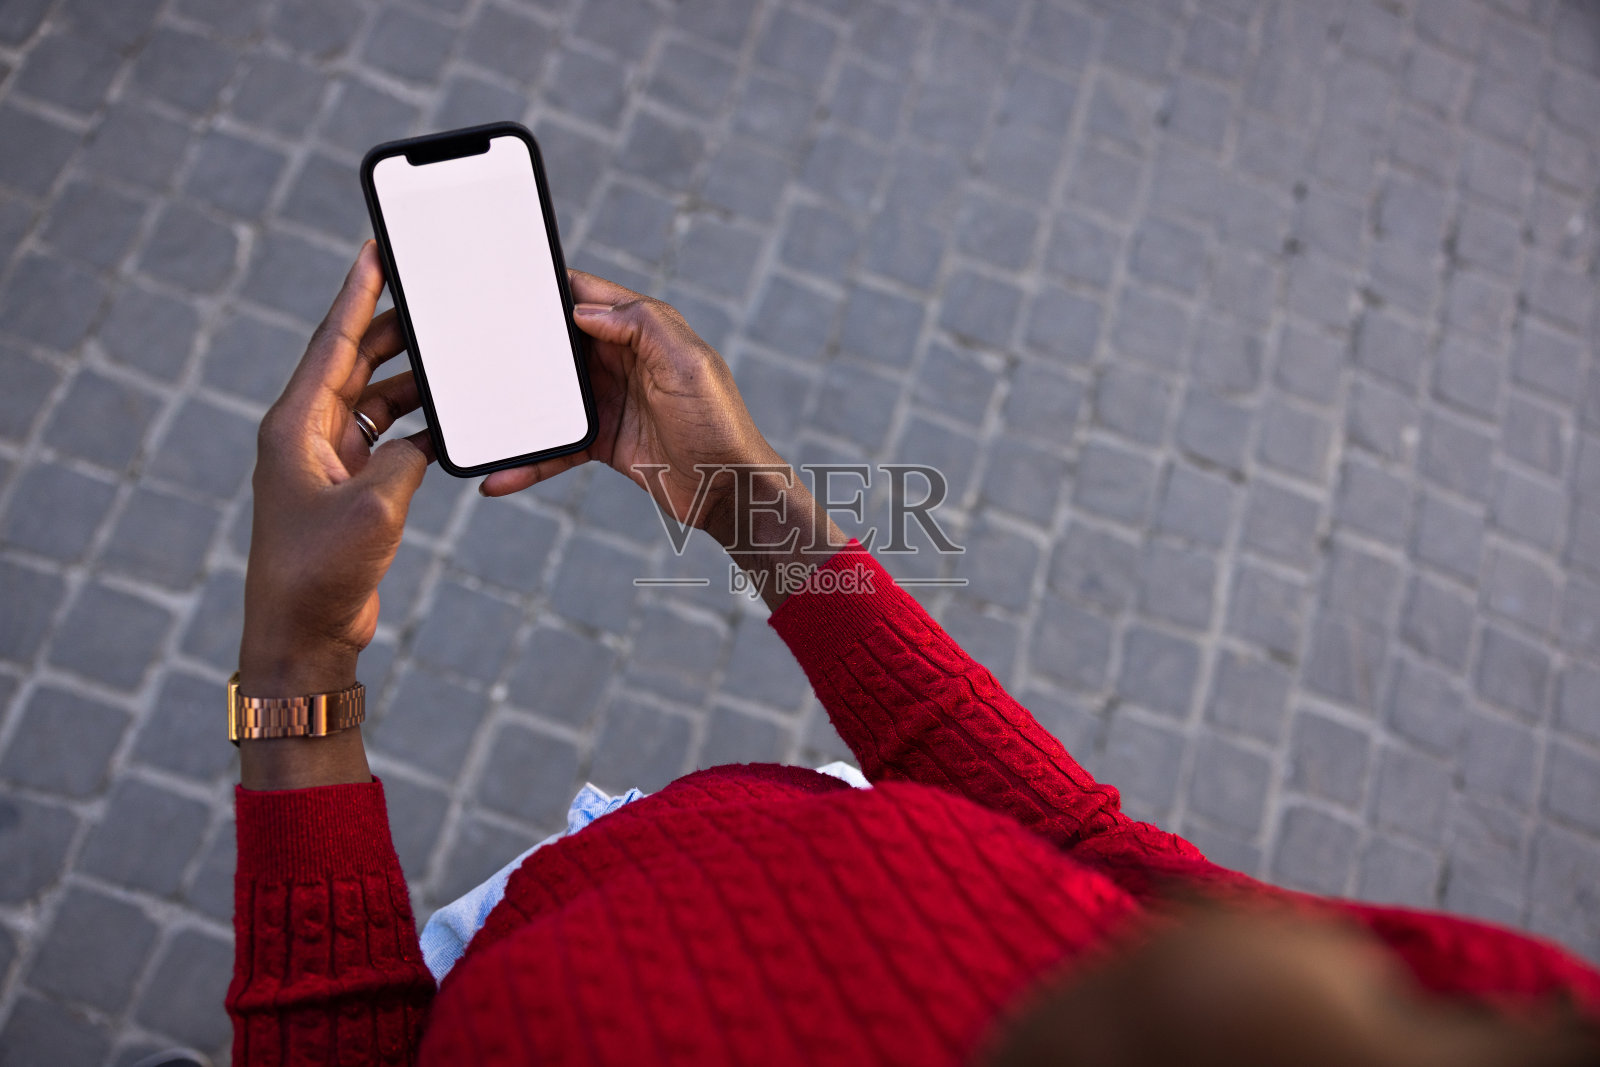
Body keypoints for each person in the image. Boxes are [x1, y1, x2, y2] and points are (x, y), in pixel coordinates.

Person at [226, 243, 1600, 1066]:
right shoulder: (1538, 1007)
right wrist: (745, 501)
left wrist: (293, 672)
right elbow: (1078, 842)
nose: (1302, 957)